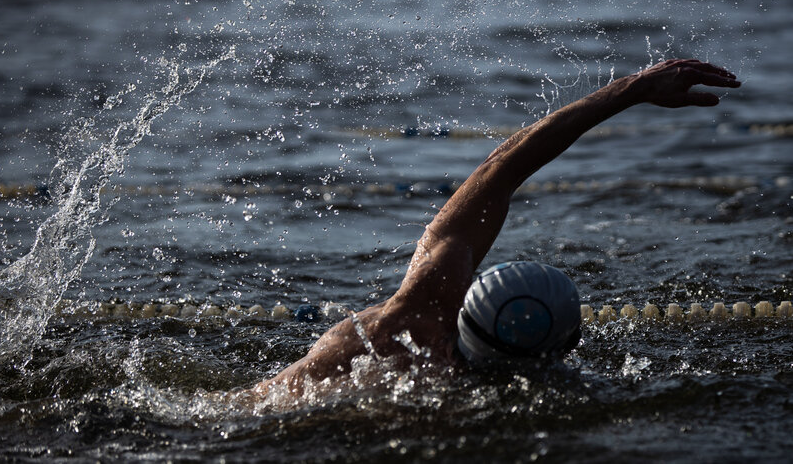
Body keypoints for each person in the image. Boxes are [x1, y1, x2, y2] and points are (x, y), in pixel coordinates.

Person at [252, 59, 740, 398]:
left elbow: (500, 167)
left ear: (467, 304)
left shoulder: (414, 316)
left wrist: (628, 89)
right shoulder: (496, 391)